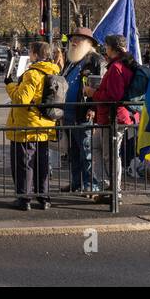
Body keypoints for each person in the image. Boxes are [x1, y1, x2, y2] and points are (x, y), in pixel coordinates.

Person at [4, 40, 61, 211]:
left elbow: (22, 99)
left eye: (30, 52)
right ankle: (43, 197)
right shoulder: (53, 70)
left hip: (26, 124)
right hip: (44, 124)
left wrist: (10, 85)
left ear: (35, 54)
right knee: (41, 163)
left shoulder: (33, 74)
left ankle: (24, 198)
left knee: (24, 163)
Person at [82, 34, 137, 201]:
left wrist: (93, 93)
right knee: (97, 148)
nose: (104, 50)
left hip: (114, 118)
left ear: (113, 48)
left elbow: (113, 96)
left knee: (110, 154)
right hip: (106, 117)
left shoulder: (117, 67)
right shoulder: (118, 65)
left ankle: (115, 191)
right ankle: (107, 185)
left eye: (106, 47)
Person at [61, 28, 101, 194]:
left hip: (83, 114)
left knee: (86, 152)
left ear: (88, 43)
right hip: (69, 114)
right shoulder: (73, 60)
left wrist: (92, 107)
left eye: (78, 39)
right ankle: (77, 182)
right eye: (73, 39)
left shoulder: (94, 60)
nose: (74, 42)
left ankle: (91, 185)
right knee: (74, 152)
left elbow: (98, 86)